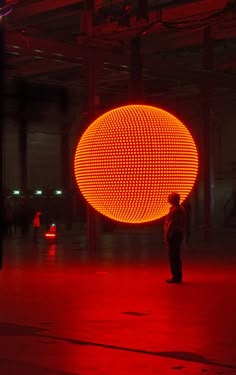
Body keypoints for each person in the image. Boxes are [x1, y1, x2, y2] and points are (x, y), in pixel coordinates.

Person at [164, 192, 186, 284]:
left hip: (174, 234)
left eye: (169, 198)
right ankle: (176, 276)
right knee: (174, 256)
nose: (167, 199)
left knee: (174, 256)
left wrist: (166, 235)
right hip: (176, 234)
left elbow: (171, 224)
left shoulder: (177, 210)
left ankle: (176, 277)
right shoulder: (176, 209)